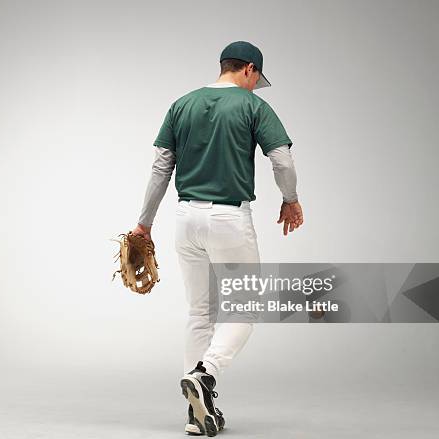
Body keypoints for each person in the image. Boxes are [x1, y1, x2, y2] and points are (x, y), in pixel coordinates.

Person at [132, 41, 304, 436]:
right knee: (246, 306)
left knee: (199, 313)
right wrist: (290, 200)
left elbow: (160, 168)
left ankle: (197, 414)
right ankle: (205, 373)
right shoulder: (253, 106)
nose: (256, 85)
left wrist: (144, 223)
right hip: (228, 217)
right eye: (256, 78)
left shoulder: (182, 104)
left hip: (185, 217)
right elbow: (281, 160)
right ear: (248, 68)